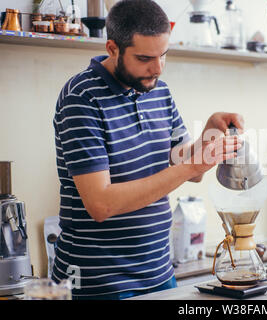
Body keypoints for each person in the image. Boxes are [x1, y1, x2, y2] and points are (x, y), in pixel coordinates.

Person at [52, 0, 243, 300]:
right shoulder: (82, 98)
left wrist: (208, 135)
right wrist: (192, 167)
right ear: (113, 48)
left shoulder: (158, 90)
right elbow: (101, 205)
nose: (157, 68)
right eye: (144, 58)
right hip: (98, 283)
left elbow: (184, 168)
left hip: (159, 273)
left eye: (163, 55)